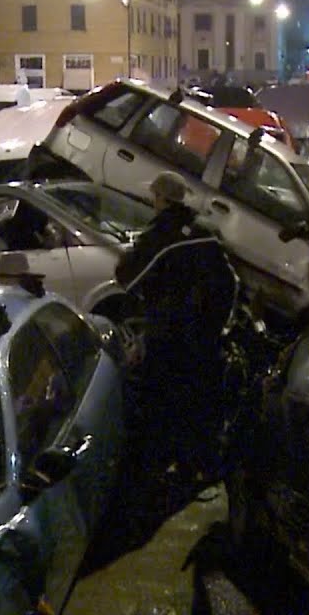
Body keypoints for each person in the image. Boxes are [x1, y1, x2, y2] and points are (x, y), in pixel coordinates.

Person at [114, 171, 239, 483]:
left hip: (170, 336)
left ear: (162, 198)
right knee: (203, 401)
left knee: (165, 402)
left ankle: (168, 469)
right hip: (206, 337)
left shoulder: (162, 234)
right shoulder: (208, 229)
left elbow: (127, 276)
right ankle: (203, 465)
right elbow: (229, 283)